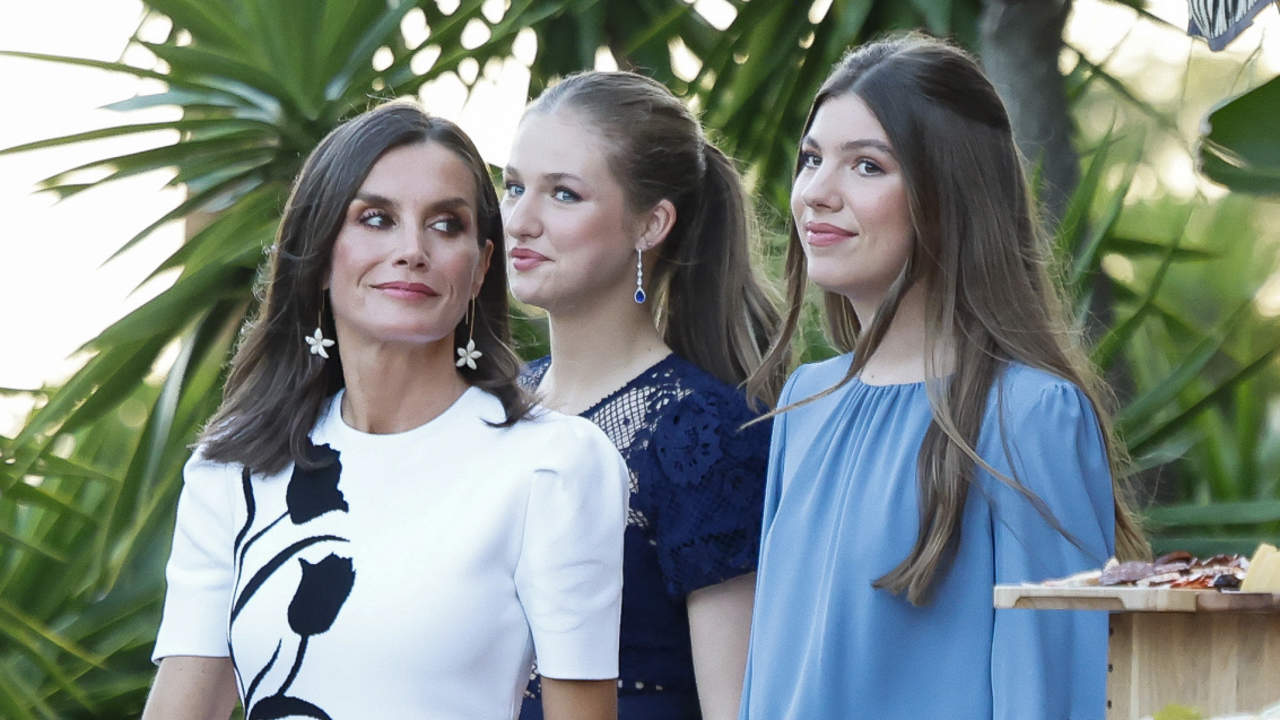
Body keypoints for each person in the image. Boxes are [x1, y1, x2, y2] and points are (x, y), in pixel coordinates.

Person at [141, 100, 629, 720]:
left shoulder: (554, 465)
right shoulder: (233, 467)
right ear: (318, 256)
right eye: (375, 218)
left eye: (445, 225)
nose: (412, 250)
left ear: (480, 269)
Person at [738, 34, 1149, 720]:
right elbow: (772, 680)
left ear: (949, 193)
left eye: (867, 166)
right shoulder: (804, 401)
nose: (816, 193)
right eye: (812, 160)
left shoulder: (1030, 413)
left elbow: (1053, 690)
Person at [500, 70, 786, 720]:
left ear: (651, 224)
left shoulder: (704, 431)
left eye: (563, 194)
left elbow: (734, 707)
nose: (520, 219)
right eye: (515, 186)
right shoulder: (493, 406)